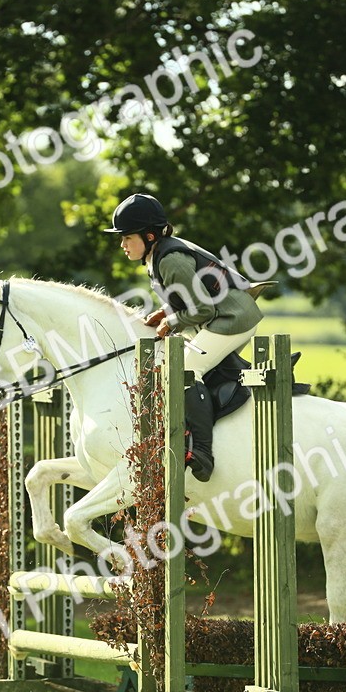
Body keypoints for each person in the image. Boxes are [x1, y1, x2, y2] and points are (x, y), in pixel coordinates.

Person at [104, 193, 262, 482]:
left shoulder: (170, 259)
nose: (122, 244)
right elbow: (187, 296)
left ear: (149, 235)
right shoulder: (159, 254)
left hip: (232, 320)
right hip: (221, 315)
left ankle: (202, 451)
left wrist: (171, 321)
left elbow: (201, 309)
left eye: (127, 237)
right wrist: (164, 312)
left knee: (186, 371)